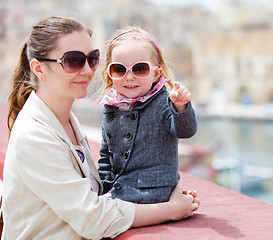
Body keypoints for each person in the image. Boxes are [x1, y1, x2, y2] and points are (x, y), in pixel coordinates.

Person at [3, 16, 199, 240]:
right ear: (39, 68)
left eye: (92, 59)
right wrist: (172, 209)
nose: (87, 70)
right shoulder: (35, 135)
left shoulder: (65, 121)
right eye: (73, 61)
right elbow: (92, 219)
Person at [97, 27, 197, 204]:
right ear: (109, 74)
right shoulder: (111, 107)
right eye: (119, 69)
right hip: (119, 193)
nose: (129, 77)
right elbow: (106, 155)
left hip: (154, 193)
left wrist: (181, 107)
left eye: (140, 69)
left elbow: (186, 130)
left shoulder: (163, 102)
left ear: (156, 74)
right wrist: (103, 187)